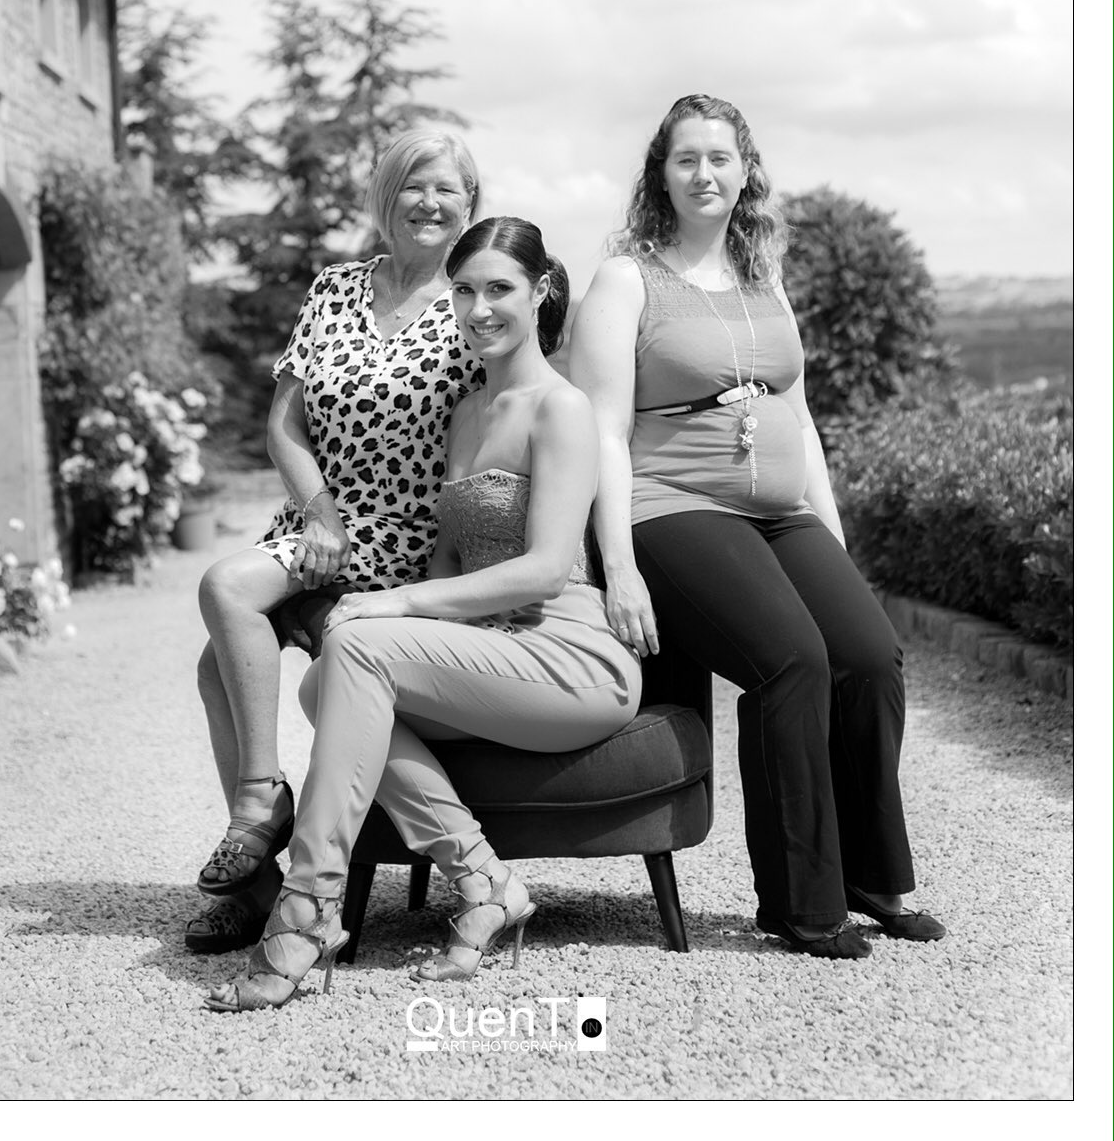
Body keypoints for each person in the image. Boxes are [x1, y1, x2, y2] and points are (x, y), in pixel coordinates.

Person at [204, 216, 642, 1011]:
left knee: (355, 646)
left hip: (571, 656)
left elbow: (545, 567)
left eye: (499, 289)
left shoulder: (561, 406)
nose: (479, 308)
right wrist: (396, 613)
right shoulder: (467, 412)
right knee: (325, 682)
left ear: (541, 291)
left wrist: (392, 603)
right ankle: (482, 881)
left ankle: (306, 908)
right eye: (465, 290)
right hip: (490, 646)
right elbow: (446, 556)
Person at [568, 94, 945, 960]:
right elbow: (604, 433)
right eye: (686, 159)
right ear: (660, 176)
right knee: (790, 662)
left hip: (779, 511)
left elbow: (799, 419)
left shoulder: (762, 276)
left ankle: (867, 875)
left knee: (868, 656)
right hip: (671, 506)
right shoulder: (628, 279)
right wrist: (618, 567)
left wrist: (834, 546)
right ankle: (801, 904)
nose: (704, 174)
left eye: (719, 158)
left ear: (746, 173)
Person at [188, 129, 484, 954]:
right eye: (412, 186)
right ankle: (258, 875)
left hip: (402, 544)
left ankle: (261, 813)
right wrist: (319, 513)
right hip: (319, 524)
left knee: (224, 598)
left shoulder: (474, 304)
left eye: (447, 189)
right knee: (219, 652)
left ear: (470, 204)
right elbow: (283, 425)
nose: (428, 202)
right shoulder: (335, 288)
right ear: (384, 198)